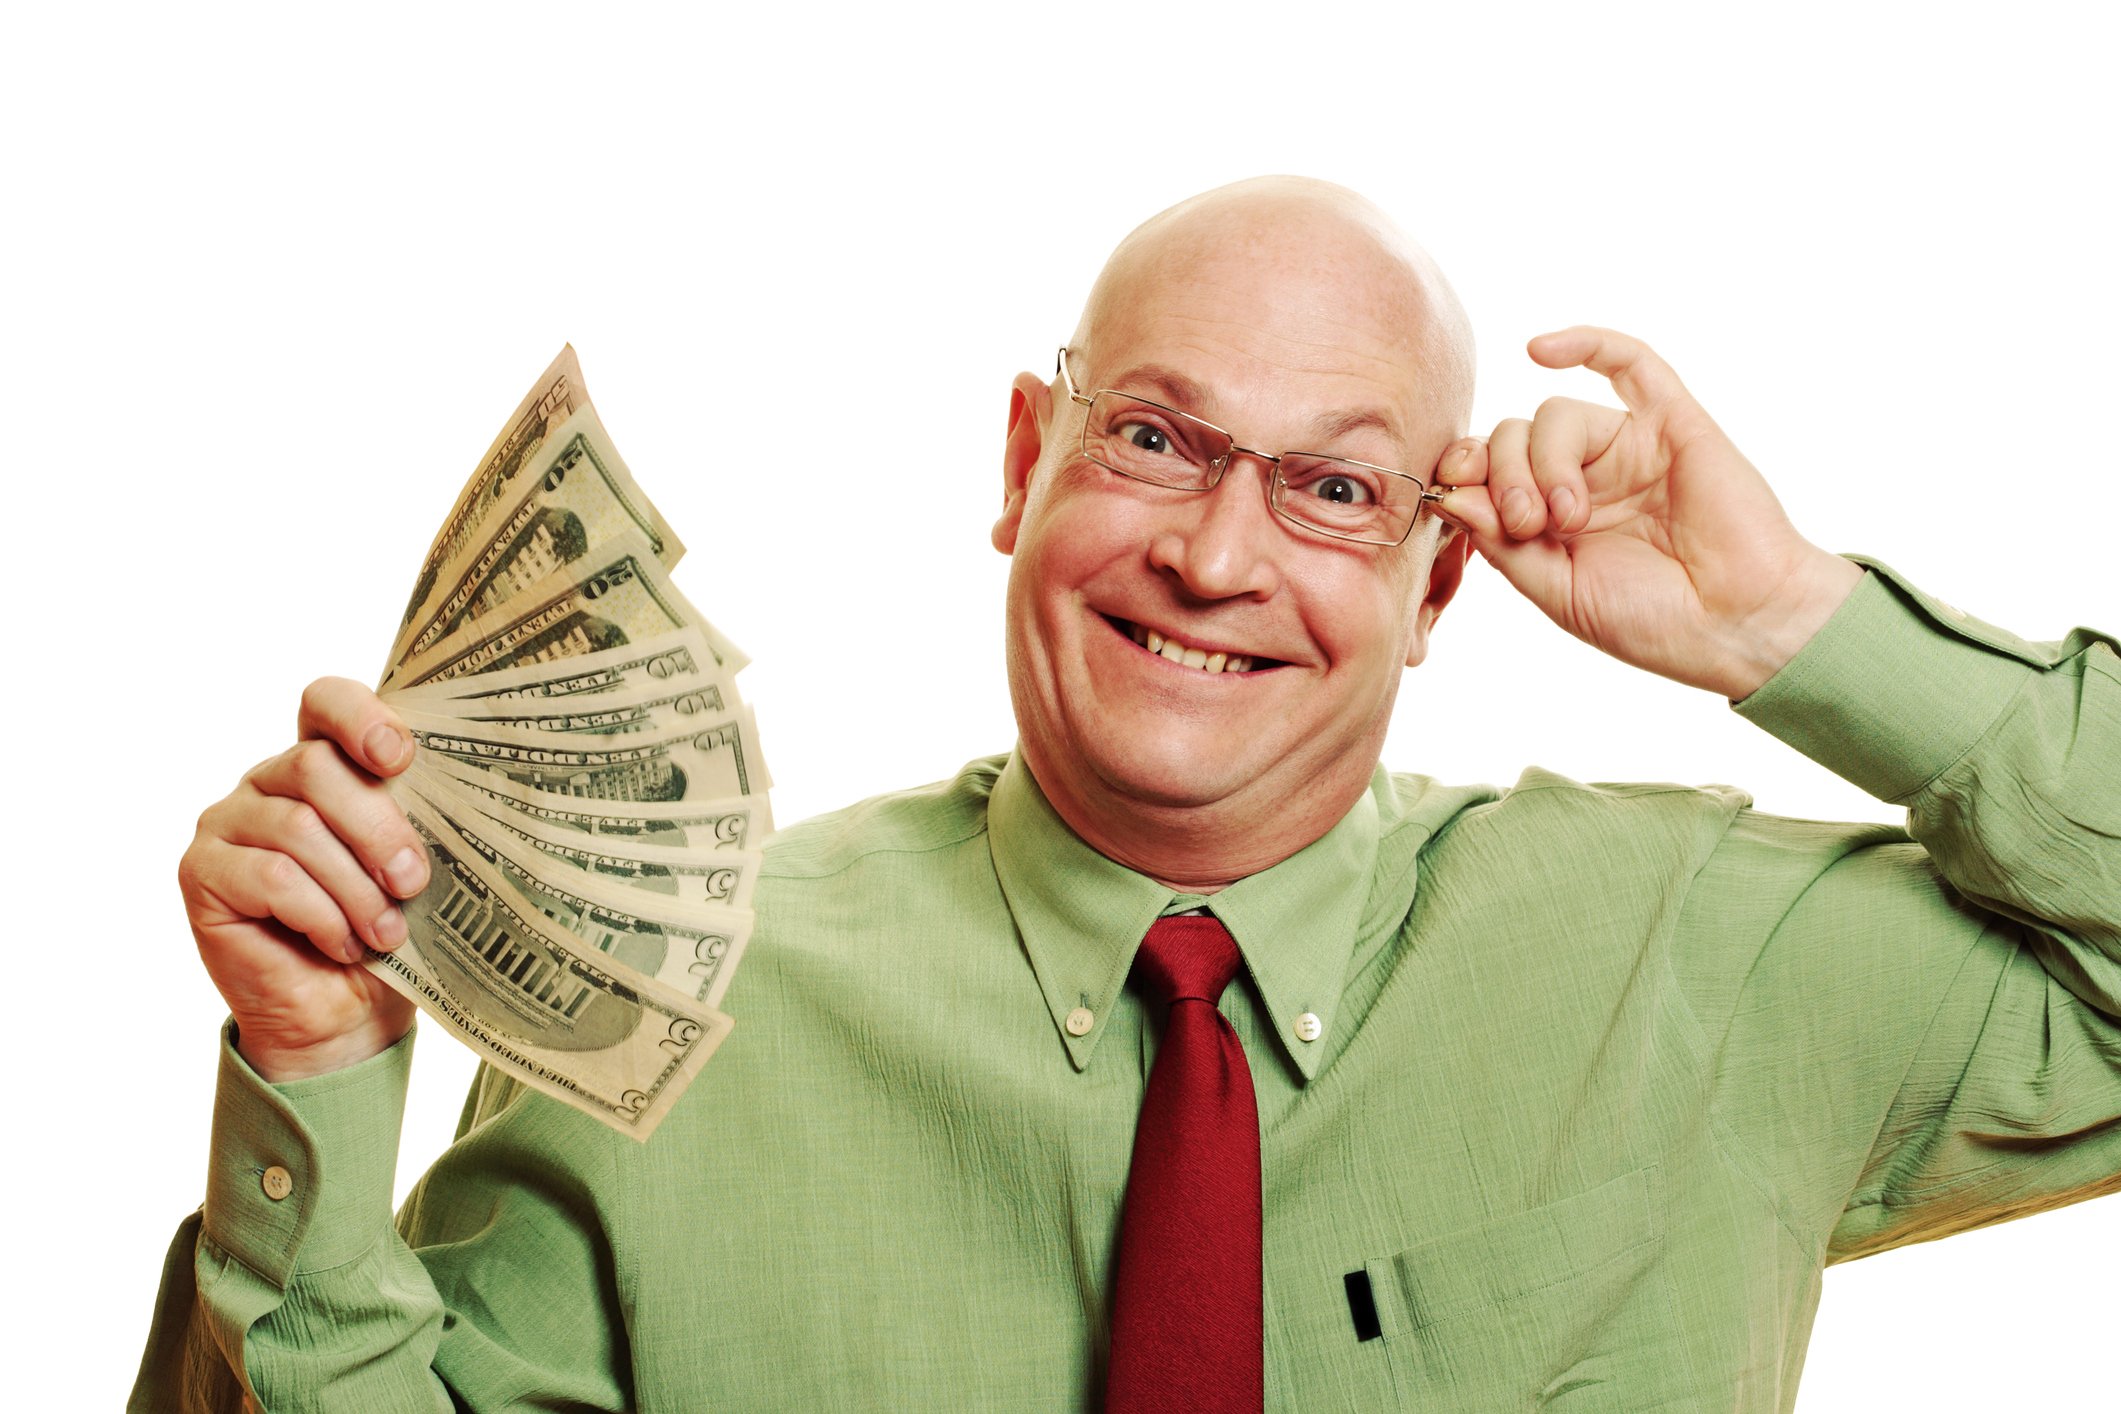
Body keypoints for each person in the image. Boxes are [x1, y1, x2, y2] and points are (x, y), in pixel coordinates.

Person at [133, 176, 2120, 1410]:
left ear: (1435, 577)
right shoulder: (684, 1007)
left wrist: (1785, 619)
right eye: (1158, 438)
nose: (1217, 554)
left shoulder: (1701, 956)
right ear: (1024, 460)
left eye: (1336, 485)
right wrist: (312, 1066)